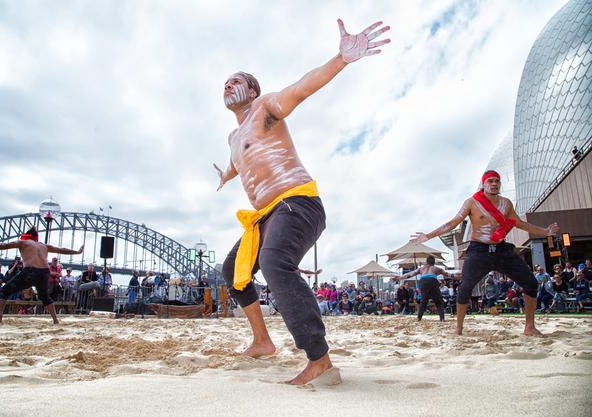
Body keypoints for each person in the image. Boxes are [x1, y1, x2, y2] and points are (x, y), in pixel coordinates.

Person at [215, 18, 390, 385]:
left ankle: (319, 360)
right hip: (265, 216)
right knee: (233, 273)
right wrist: (226, 176)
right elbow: (238, 163)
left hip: (297, 202)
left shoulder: (266, 107)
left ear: (252, 89)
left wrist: (340, 59)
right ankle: (262, 341)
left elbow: (301, 88)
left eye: (237, 80)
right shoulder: (233, 137)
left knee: (275, 263)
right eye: (226, 82)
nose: (229, 84)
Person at [410, 170, 559, 336]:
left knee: (531, 283)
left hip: (502, 249)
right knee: (465, 288)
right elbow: (452, 223)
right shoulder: (472, 202)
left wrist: (545, 232)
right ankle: (458, 328)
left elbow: (520, 223)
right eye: (490, 181)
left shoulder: (506, 203)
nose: (494, 184)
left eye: (497, 181)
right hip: (478, 250)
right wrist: (428, 236)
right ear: (484, 184)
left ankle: (529, 327)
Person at [0, 226, 84, 324]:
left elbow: (5, 245)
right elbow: (62, 250)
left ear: (27, 236)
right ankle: (55, 319)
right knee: (44, 297)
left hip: (30, 271)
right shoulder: (43, 245)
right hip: (44, 272)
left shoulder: (24, 242)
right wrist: (77, 252)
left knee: (4, 291)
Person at [392, 255, 457, 321]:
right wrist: (456, 276)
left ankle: (419, 318)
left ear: (426, 262)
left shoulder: (421, 268)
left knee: (424, 301)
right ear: (434, 262)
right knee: (439, 301)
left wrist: (399, 278)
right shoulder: (436, 268)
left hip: (423, 281)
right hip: (432, 280)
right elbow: (448, 274)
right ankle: (442, 318)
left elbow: (410, 274)